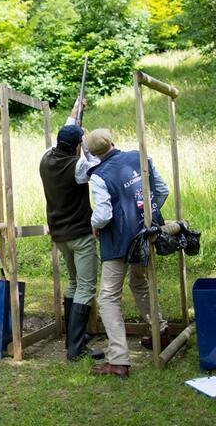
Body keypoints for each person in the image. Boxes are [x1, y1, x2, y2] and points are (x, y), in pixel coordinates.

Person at [86, 129, 169, 378]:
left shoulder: (98, 176)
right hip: (145, 233)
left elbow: (102, 216)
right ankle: (160, 332)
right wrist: (145, 215)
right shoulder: (140, 157)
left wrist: (94, 224)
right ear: (113, 142)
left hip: (118, 243)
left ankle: (119, 360)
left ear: (94, 154)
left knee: (108, 298)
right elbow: (161, 191)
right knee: (139, 282)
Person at [38, 97, 103, 361]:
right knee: (86, 287)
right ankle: (75, 348)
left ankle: (73, 338)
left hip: (60, 235)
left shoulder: (46, 157)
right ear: (77, 146)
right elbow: (95, 165)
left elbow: (65, 133)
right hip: (80, 235)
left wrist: (76, 111)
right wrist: (86, 146)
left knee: (74, 284)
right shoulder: (78, 166)